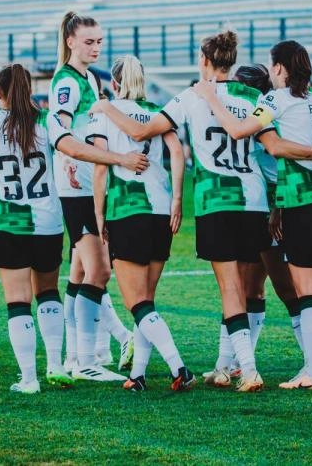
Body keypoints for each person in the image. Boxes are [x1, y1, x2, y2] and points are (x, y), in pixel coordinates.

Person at [93, 30, 288, 392]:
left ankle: (248, 369)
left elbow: (140, 132)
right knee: (243, 289)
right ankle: (224, 366)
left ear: (204, 61)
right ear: (232, 60)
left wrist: (105, 108)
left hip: (217, 201)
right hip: (255, 199)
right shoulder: (257, 96)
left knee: (230, 289)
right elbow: (269, 145)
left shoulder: (192, 96)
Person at [0, 63, 149, 394]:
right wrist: (118, 158)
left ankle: (29, 378)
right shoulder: (46, 123)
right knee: (48, 293)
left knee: (18, 301)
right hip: (47, 222)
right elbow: (74, 148)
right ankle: (56, 365)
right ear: (30, 90)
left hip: (10, 221)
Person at [191, 41, 312, 390]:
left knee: (290, 289)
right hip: (310, 199)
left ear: (278, 70)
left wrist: (209, 98)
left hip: (281, 205)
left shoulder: (267, 106)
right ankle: (232, 364)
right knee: (252, 287)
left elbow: (261, 145)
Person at [89, 55, 195, 392]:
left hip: (127, 208)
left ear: (115, 84)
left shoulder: (106, 112)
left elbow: (101, 167)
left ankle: (179, 367)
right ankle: (138, 375)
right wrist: (177, 197)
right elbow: (178, 153)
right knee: (146, 300)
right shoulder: (156, 112)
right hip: (160, 208)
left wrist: (99, 214)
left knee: (136, 302)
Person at [50, 12, 134, 382]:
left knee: (82, 270)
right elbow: (62, 130)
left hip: (89, 182)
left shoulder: (92, 77)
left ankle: (76, 357)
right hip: (77, 184)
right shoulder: (66, 81)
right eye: (89, 41)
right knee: (99, 270)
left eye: (99, 41)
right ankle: (88, 362)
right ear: (70, 41)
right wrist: (71, 161)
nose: (96, 47)